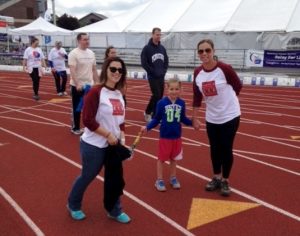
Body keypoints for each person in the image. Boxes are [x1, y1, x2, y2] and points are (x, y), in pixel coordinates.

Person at [67, 56, 130, 223]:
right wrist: (108, 135)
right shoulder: (96, 92)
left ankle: (114, 210)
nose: (117, 72)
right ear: (106, 70)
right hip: (94, 145)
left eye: (120, 70)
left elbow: (121, 120)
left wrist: (122, 137)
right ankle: (73, 204)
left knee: (114, 179)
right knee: (87, 176)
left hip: (113, 145)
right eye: (113, 69)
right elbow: (87, 120)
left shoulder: (118, 94)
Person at [192, 39, 242, 196]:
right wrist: (195, 117)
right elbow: (196, 97)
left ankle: (225, 180)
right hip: (212, 117)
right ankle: (216, 177)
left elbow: (238, 86)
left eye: (207, 50)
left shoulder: (224, 69)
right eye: (201, 51)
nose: (204, 54)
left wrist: (227, 102)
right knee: (214, 148)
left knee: (226, 148)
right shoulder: (197, 73)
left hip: (230, 116)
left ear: (213, 51)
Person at [141, 78, 193, 192]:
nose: (174, 91)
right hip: (165, 136)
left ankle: (173, 178)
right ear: (167, 89)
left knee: (174, 158)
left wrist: (192, 123)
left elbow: (183, 118)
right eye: (171, 89)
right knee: (161, 159)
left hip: (177, 136)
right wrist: (147, 127)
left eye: (176, 89)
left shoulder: (182, 103)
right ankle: (159, 179)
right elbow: (156, 119)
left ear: (180, 90)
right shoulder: (161, 103)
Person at [68, 33, 99, 135]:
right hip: (78, 86)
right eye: (85, 39)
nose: (87, 41)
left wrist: (98, 83)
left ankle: (90, 127)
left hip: (89, 85)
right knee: (77, 108)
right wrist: (77, 84)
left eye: (88, 39)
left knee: (91, 108)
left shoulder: (91, 53)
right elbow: (72, 70)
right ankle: (75, 127)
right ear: (79, 41)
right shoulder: (74, 53)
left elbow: (94, 69)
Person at [141, 27, 169, 122]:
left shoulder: (162, 48)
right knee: (156, 95)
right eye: (157, 34)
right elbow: (144, 63)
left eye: (160, 35)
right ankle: (148, 112)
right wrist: (152, 71)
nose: (158, 36)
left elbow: (166, 61)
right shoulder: (147, 49)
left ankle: (155, 114)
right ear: (152, 35)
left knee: (160, 95)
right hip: (152, 76)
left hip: (161, 76)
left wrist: (163, 71)